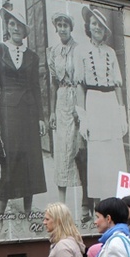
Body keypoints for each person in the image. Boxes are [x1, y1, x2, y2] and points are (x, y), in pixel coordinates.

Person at [0, 6, 47, 218]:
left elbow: (36, 88)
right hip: (7, 113)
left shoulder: (32, 56)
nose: (15, 28)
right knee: (9, 161)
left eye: (19, 25)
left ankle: (29, 214)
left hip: (29, 113)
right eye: (11, 24)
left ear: (24, 30)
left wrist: (41, 117)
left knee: (30, 161)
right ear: (7, 26)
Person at [74, 7, 127, 216]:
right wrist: (83, 118)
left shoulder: (111, 53)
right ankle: (99, 208)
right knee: (97, 154)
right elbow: (79, 85)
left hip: (110, 102)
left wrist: (122, 113)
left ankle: (114, 204)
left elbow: (117, 85)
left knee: (113, 152)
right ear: (88, 26)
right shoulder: (81, 51)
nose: (97, 28)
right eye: (94, 23)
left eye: (101, 25)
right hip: (93, 101)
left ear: (105, 31)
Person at [47, 12, 81, 206]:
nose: (62, 28)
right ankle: (62, 202)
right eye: (59, 25)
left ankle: (85, 203)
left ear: (71, 27)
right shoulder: (54, 51)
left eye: (65, 25)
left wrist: (79, 107)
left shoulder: (79, 49)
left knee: (77, 147)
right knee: (61, 148)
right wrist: (51, 111)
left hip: (76, 96)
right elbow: (52, 83)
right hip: (61, 99)